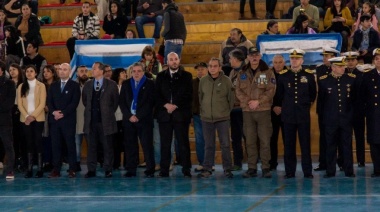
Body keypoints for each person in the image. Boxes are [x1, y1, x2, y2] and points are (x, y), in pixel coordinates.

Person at [274, 48, 317, 179]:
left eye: (297, 58)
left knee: (305, 145)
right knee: (289, 145)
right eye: (292, 58)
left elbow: (312, 95)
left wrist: (304, 105)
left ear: (302, 60)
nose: (294, 60)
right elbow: (279, 95)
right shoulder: (283, 75)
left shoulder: (308, 75)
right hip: (288, 116)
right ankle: (290, 171)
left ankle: (307, 171)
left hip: (303, 115)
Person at [236, 47, 276, 178]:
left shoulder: (267, 72)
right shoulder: (242, 72)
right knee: (250, 140)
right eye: (251, 55)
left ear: (260, 56)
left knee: (264, 140)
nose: (254, 58)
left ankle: (265, 167)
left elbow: (271, 90)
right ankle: (251, 167)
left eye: (256, 55)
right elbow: (238, 91)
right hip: (247, 111)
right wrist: (249, 102)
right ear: (248, 57)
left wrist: (258, 101)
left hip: (263, 110)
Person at [155, 52, 193, 177]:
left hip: (181, 115)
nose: (174, 61)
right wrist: (166, 105)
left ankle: (186, 169)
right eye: (171, 59)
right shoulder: (160, 76)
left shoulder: (187, 76)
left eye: (176, 59)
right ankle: (164, 169)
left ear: (179, 60)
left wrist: (175, 104)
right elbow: (156, 95)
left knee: (183, 143)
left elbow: (188, 95)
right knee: (165, 144)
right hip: (164, 115)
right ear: (167, 61)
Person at [318, 57, 356, 178]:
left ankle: (348, 170)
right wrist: (324, 118)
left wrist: (351, 116)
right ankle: (330, 170)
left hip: (346, 118)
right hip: (330, 119)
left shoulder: (351, 79)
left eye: (343, 66)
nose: (343, 68)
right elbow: (321, 103)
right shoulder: (324, 81)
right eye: (340, 66)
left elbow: (354, 100)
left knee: (347, 145)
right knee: (330, 145)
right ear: (333, 68)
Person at [197, 58, 234, 179]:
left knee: (225, 144)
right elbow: (200, 97)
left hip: (223, 118)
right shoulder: (203, 81)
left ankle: (227, 169)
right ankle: (207, 168)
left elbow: (231, 99)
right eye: (210, 66)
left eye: (215, 66)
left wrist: (225, 112)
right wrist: (204, 112)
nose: (212, 68)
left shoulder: (227, 81)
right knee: (208, 144)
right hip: (207, 118)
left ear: (220, 68)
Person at [83, 62, 119, 178]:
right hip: (91, 121)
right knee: (91, 147)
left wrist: (106, 112)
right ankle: (91, 169)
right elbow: (85, 101)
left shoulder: (112, 84)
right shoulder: (88, 85)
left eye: (94, 68)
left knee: (107, 147)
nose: (92, 70)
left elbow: (115, 103)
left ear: (101, 71)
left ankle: (108, 169)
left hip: (106, 122)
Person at [119, 62, 155, 177]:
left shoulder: (150, 84)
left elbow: (150, 103)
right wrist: (129, 115)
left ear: (143, 72)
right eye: (134, 71)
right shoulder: (126, 84)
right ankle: (131, 169)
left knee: (147, 145)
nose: (136, 73)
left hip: (144, 120)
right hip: (129, 120)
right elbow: (122, 102)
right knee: (130, 145)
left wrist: (138, 116)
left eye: (139, 71)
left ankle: (150, 169)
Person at [47, 63, 81, 178]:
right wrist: (53, 112)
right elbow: (49, 102)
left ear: (69, 71)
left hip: (68, 120)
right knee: (55, 145)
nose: (62, 71)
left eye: (64, 69)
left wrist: (62, 113)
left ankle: (72, 169)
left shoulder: (74, 85)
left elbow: (74, 103)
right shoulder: (53, 85)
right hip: (55, 121)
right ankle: (56, 169)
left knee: (70, 145)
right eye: (60, 69)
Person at [17, 64, 46, 178]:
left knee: (38, 142)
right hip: (25, 119)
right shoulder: (20, 87)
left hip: (38, 119)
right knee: (28, 142)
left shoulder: (41, 86)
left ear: (35, 73)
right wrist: (27, 116)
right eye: (27, 71)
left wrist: (32, 116)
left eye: (31, 71)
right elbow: (19, 104)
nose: (29, 73)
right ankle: (29, 169)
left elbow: (42, 103)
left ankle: (40, 169)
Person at [314, 46, 339, 172]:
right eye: (324, 56)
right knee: (323, 136)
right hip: (324, 108)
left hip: (338, 108)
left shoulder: (340, 69)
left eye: (327, 56)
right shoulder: (320, 69)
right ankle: (323, 162)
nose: (324, 58)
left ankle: (340, 162)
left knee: (339, 136)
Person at [343, 51, 366, 167]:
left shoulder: (362, 75)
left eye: (352, 60)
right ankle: (345, 161)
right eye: (348, 60)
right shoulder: (342, 73)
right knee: (345, 138)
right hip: (345, 112)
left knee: (359, 136)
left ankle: (361, 160)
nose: (350, 62)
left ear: (357, 61)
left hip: (358, 111)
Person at [360, 48, 380, 177]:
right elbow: (363, 96)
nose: (379, 61)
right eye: (377, 59)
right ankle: (377, 169)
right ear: (373, 61)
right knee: (375, 142)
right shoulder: (368, 75)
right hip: (374, 114)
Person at [228, 49, 246, 171]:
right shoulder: (232, 72)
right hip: (233, 110)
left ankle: (252, 163)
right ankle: (237, 162)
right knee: (235, 137)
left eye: (231, 58)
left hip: (244, 110)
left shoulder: (246, 72)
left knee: (248, 137)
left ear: (237, 59)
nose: (229, 60)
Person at [269, 55, 287, 170]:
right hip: (271, 112)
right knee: (271, 139)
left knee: (288, 139)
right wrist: (273, 106)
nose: (278, 64)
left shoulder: (289, 73)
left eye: (280, 62)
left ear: (284, 62)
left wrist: (282, 107)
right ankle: (272, 163)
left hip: (286, 112)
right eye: (275, 62)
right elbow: (261, 91)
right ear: (272, 63)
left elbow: (291, 94)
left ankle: (289, 164)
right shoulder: (265, 74)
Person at [0, 61, 16, 180]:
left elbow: (9, 104)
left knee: (8, 145)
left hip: (4, 120)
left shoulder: (10, 83)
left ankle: (10, 169)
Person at [41, 65, 58, 173]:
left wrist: (52, 108)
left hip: (56, 114)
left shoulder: (57, 84)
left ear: (53, 73)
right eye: (44, 72)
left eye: (48, 71)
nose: (45, 73)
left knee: (55, 139)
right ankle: (46, 161)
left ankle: (55, 161)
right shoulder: (41, 85)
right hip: (44, 115)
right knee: (45, 138)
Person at [8, 63, 25, 172]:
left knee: (22, 137)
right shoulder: (7, 83)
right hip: (10, 111)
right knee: (12, 137)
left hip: (22, 111)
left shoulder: (23, 84)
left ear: (19, 70)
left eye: (14, 69)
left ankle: (23, 161)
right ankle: (13, 161)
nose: (12, 72)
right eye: (10, 70)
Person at [192, 62, 207, 172]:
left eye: (202, 69)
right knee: (199, 140)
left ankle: (209, 163)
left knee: (209, 140)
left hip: (210, 116)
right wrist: (191, 115)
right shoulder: (192, 83)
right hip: (197, 115)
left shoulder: (211, 81)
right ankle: (202, 162)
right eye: (198, 69)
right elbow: (190, 100)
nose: (200, 71)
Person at [110, 67, 127, 170]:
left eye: (125, 72)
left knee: (126, 142)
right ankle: (115, 163)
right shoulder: (112, 86)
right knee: (115, 142)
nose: (125, 74)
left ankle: (127, 163)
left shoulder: (127, 86)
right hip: (114, 118)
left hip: (125, 118)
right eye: (122, 72)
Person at [75, 65, 89, 172]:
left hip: (89, 120)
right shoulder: (72, 85)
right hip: (76, 120)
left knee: (91, 144)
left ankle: (92, 165)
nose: (84, 73)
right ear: (77, 73)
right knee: (76, 145)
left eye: (85, 71)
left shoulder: (93, 84)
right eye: (81, 71)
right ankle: (76, 164)